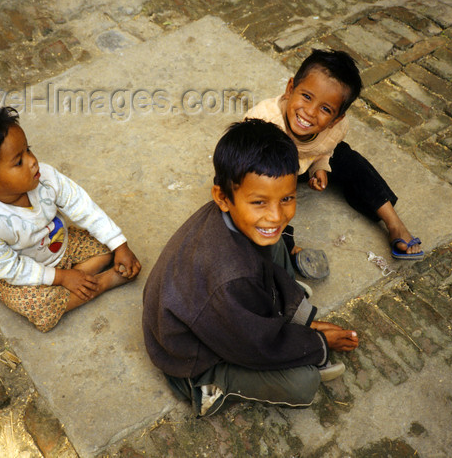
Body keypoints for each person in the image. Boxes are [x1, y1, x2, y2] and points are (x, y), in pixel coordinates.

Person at [142, 119, 358, 417]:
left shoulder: (237, 219)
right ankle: (207, 387)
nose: (275, 215)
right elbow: (255, 346)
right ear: (223, 197)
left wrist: (304, 324)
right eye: (259, 202)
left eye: (287, 198)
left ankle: (278, 309)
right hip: (187, 358)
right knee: (303, 383)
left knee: (277, 239)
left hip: (216, 313)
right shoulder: (229, 277)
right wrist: (316, 342)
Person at [0, 106, 141, 332]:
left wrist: (119, 245)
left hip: (64, 245)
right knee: (38, 306)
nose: (33, 161)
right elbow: (9, 268)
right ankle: (101, 283)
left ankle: (78, 284)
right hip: (28, 273)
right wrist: (61, 277)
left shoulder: (45, 176)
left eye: (28, 150)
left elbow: (82, 206)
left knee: (105, 245)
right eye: (18, 162)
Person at [246, 48, 423, 274]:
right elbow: (242, 164)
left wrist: (320, 166)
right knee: (252, 204)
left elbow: (323, 149)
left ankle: (394, 223)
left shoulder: (334, 130)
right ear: (290, 89)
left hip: (299, 165)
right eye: (306, 96)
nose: (310, 112)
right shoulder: (262, 122)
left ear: (336, 119)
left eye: (325, 109)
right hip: (262, 169)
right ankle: (285, 246)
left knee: (348, 158)